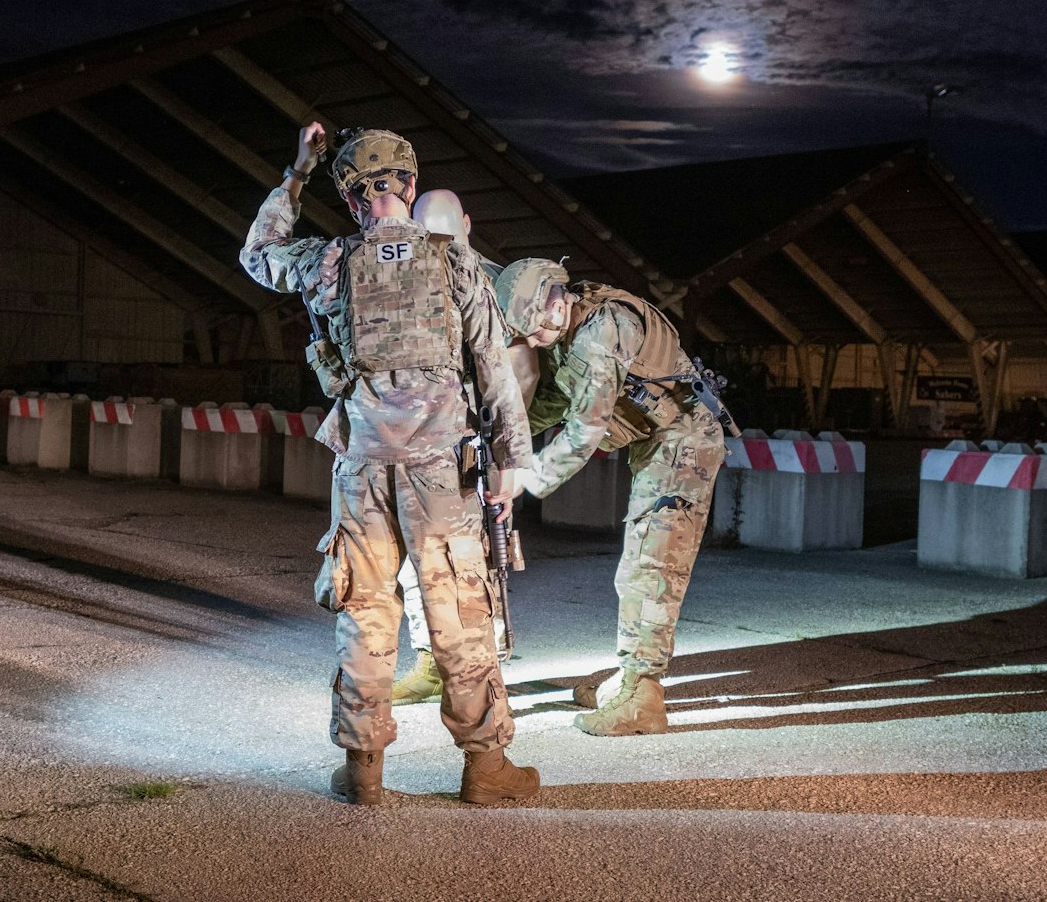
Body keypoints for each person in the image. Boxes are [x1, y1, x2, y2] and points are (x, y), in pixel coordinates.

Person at [240, 125, 539, 806]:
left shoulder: (329, 262)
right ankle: (486, 768)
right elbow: (493, 361)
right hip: (441, 471)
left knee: (366, 609)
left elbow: (256, 255)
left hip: (364, 464)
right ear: (409, 182)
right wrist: (510, 462)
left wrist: (296, 172)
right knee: (460, 611)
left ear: (350, 199)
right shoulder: (454, 262)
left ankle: (364, 768)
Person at [493, 257, 729, 736]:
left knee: (651, 564)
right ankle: (630, 678)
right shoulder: (566, 334)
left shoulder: (603, 333)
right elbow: (555, 402)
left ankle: (642, 695)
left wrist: (523, 478)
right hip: (655, 440)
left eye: (534, 325)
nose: (533, 338)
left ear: (555, 298)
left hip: (684, 441)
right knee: (643, 562)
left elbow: (584, 431)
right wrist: (500, 440)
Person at [387, 190, 534, 706]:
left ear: (468, 224)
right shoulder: (412, 272)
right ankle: (431, 662)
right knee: (416, 560)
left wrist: (504, 459)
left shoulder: (493, 284)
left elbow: (518, 374)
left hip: (474, 450)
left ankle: (482, 675)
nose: (439, 244)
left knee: (474, 567)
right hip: (421, 449)